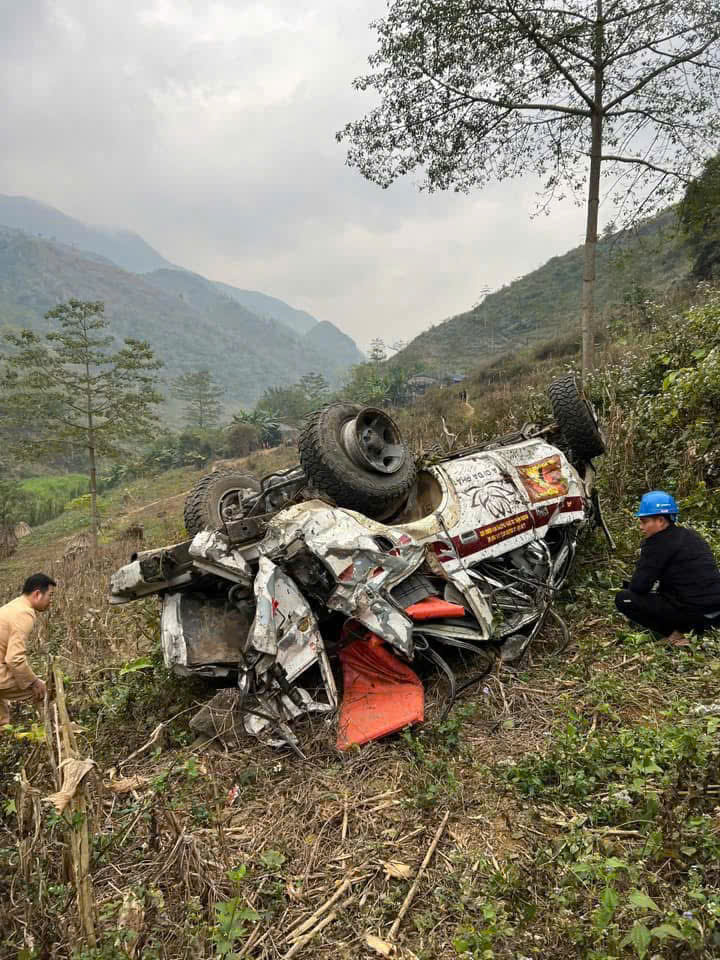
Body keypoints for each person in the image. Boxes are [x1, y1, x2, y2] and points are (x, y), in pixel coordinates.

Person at [615, 492, 720, 646]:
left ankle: (675, 634)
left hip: (693, 615)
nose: (641, 527)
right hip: (716, 612)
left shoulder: (656, 543)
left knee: (624, 598)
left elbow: (639, 587)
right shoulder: (691, 535)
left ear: (661, 520)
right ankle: (698, 628)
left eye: (644, 522)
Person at [0, 573, 56, 728]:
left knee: (2, 722)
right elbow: (14, 659)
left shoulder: (12, 606)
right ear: (37, 594)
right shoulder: (24, 613)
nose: (51, 601)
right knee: (44, 691)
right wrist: (34, 681)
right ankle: (55, 731)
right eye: (50, 596)